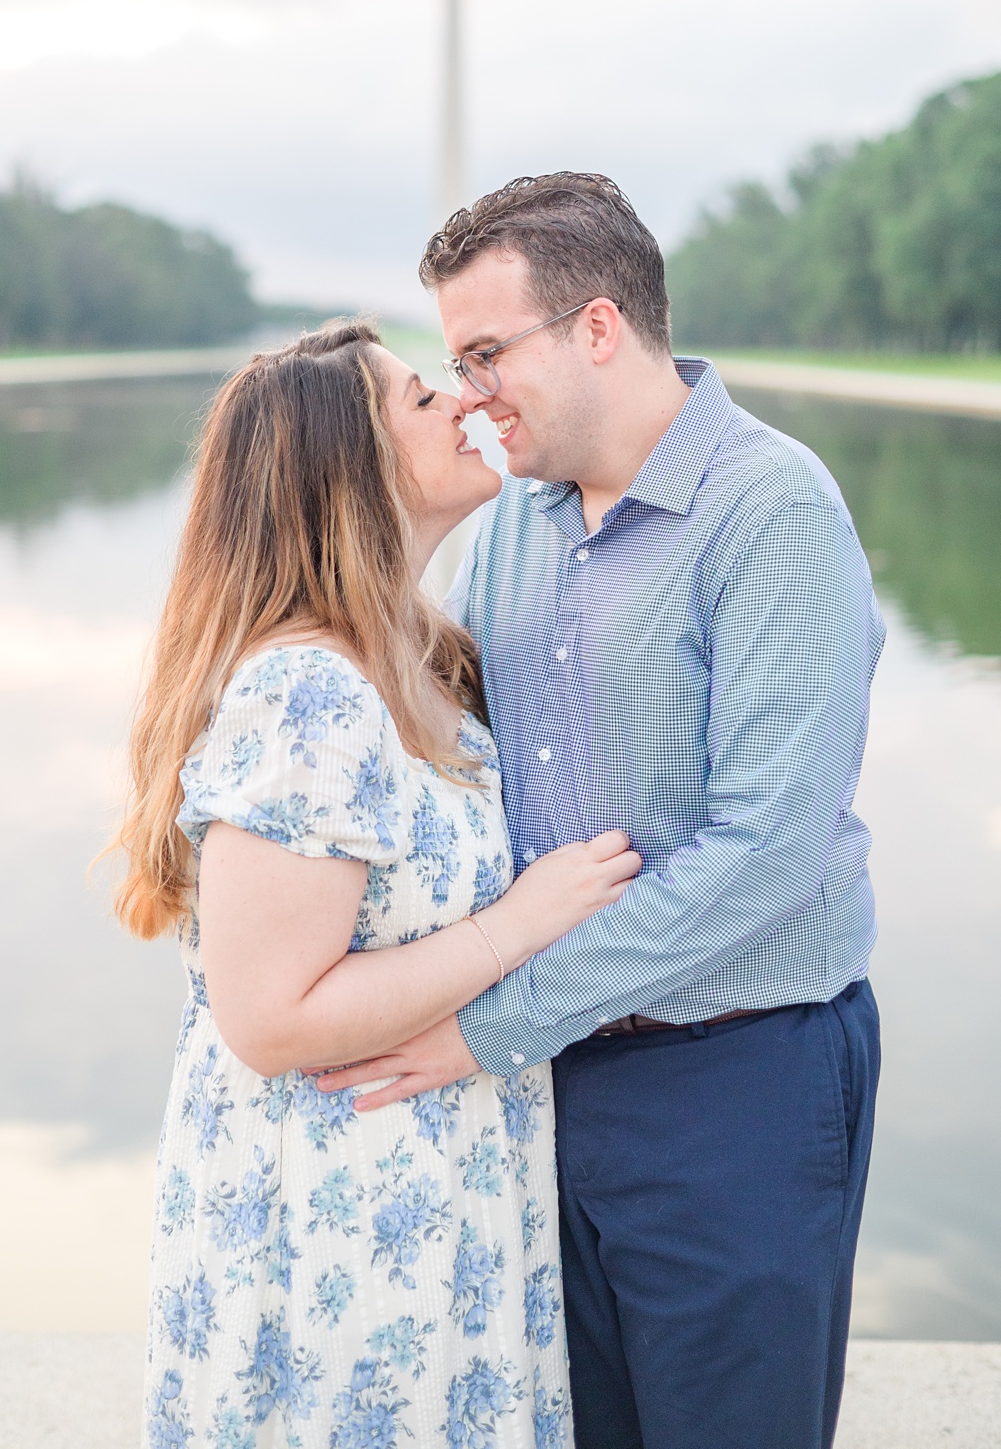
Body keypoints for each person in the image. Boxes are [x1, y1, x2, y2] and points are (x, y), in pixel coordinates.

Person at [315, 174, 885, 1449]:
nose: (467, 394)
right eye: (452, 364)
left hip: (736, 1075)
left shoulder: (772, 505)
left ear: (596, 327)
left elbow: (768, 854)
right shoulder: (512, 522)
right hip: (544, 1085)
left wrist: (493, 1021)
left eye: (483, 352)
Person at [112, 323, 643, 1448]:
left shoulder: (413, 655)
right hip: (334, 1232)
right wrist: (521, 924)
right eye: (419, 397)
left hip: (436, 1198)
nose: (458, 401)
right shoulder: (307, 692)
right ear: (345, 468)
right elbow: (270, 1017)